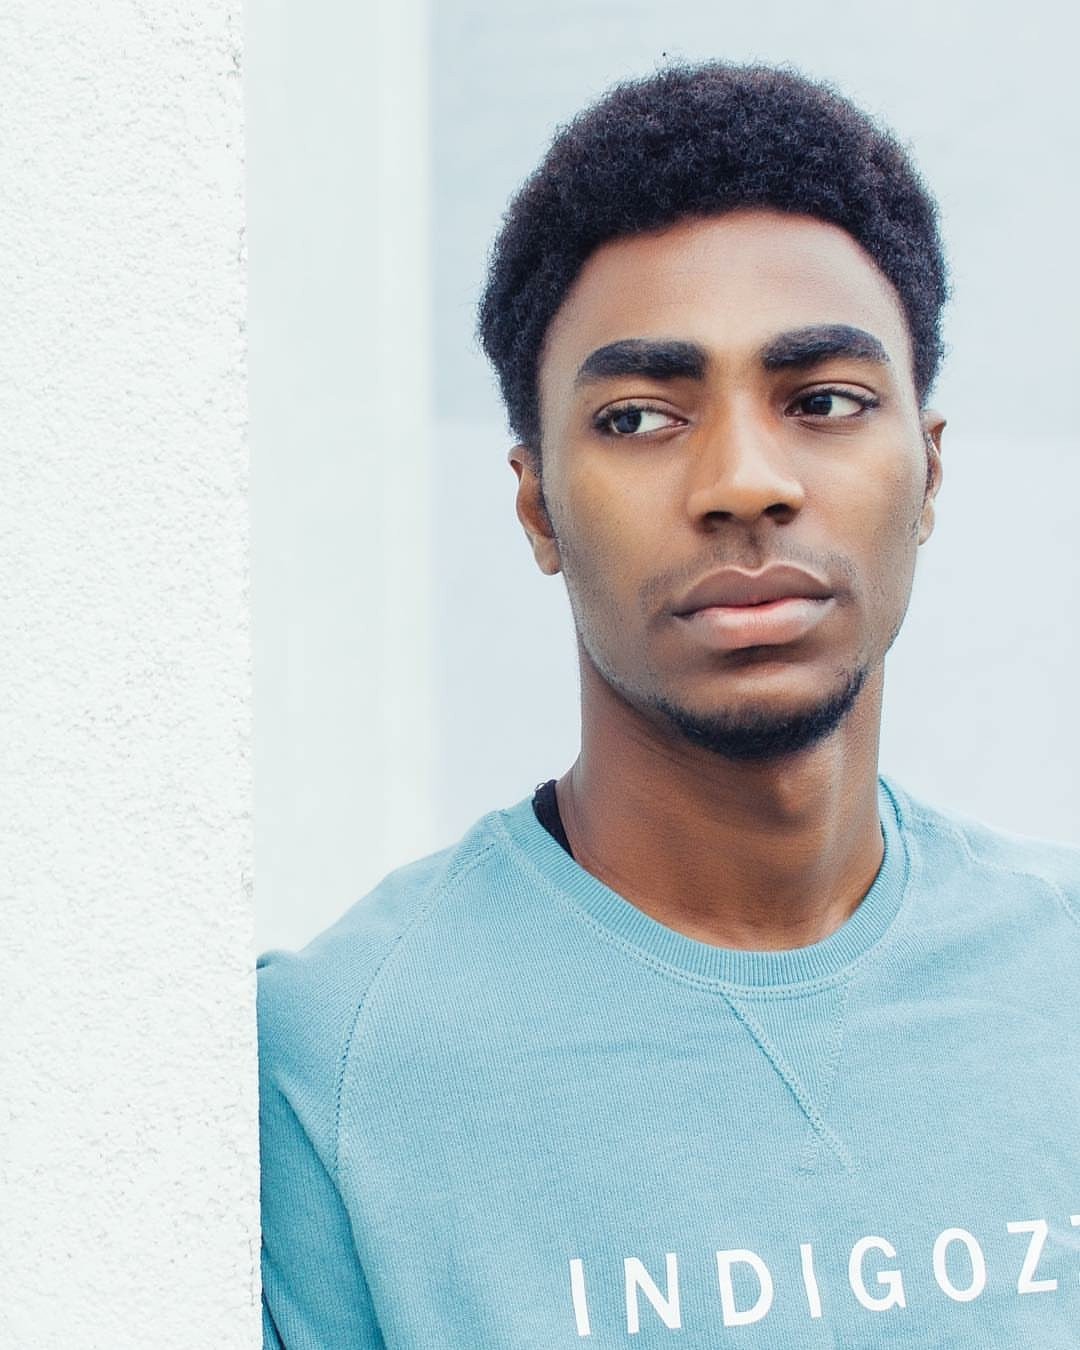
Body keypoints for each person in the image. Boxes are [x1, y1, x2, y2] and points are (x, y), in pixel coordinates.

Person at [258, 62, 1080, 1347]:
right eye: (640, 416)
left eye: (824, 401)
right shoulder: (331, 1068)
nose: (744, 481)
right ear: (537, 506)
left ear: (927, 473)